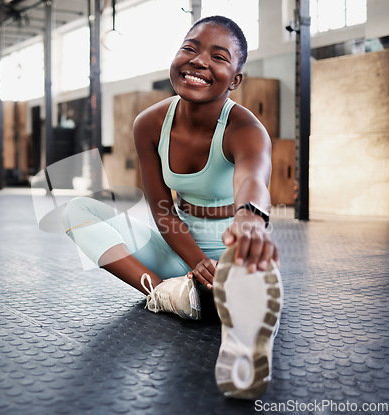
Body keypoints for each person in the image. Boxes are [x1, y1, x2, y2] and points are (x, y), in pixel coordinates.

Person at [61, 15, 283, 399]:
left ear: (235, 79)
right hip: (178, 243)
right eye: (190, 48)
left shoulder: (245, 129)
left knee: (246, 271)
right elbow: (161, 208)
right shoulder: (149, 123)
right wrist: (195, 261)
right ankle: (168, 293)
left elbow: (252, 180)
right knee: (76, 211)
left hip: (235, 245)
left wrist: (250, 221)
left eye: (218, 56)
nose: (198, 61)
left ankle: (242, 329)